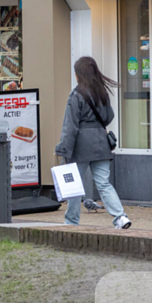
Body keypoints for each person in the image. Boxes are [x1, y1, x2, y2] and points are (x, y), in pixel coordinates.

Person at [55, 56, 131, 229]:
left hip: (81, 146)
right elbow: (109, 117)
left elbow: (70, 125)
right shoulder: (101, 93)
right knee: (104, 183)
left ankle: (71, 222)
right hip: (101, 144)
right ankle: (120, 217)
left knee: (74, 184)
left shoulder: (76, 95)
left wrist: (63, 149)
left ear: (78, 74)